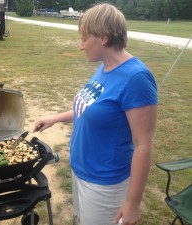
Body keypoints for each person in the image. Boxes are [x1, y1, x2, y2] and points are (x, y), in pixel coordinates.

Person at [33, 3, 158, 225]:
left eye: (84, 39)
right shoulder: (105, 67)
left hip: (105, 183)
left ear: (103, 38)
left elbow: (143, 145)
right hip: (82, 171)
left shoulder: (136, 78)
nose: (81, 46)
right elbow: (90, 110)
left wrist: (133, 203)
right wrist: (54, 119)